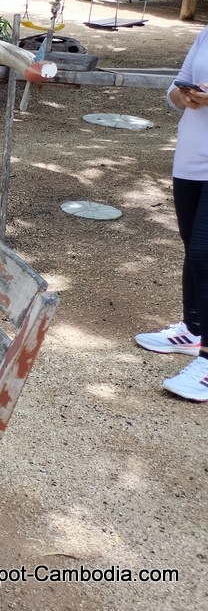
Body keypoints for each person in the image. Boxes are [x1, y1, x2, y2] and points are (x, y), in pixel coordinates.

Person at [135, 25, 208, 401]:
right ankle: (192, 330)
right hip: (191, 157)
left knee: (204, 254)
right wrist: (184, 96)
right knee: (191, 249)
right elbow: (173, 92)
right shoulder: (206, 34)